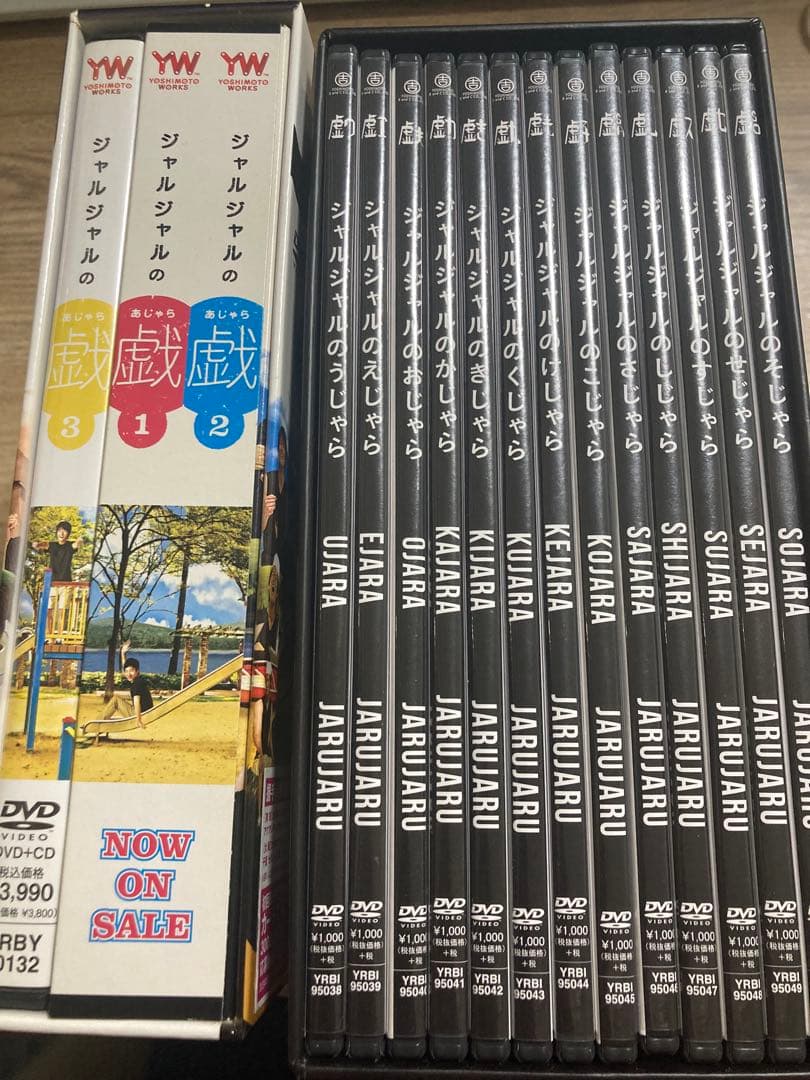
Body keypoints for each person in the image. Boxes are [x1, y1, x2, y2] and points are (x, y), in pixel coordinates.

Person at [102, 640, 153, 729]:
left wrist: (138, 720)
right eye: (126, 671)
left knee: (115, 700)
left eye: (132, 671)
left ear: (137, 671)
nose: (128, 674)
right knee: (116, 699)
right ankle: (100, 721)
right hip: (144, 712)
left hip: (141, 714)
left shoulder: (137, 684)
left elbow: (137, 702)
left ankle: (98, 723)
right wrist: (123, 653)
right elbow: (125, 666)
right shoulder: (137, 680)